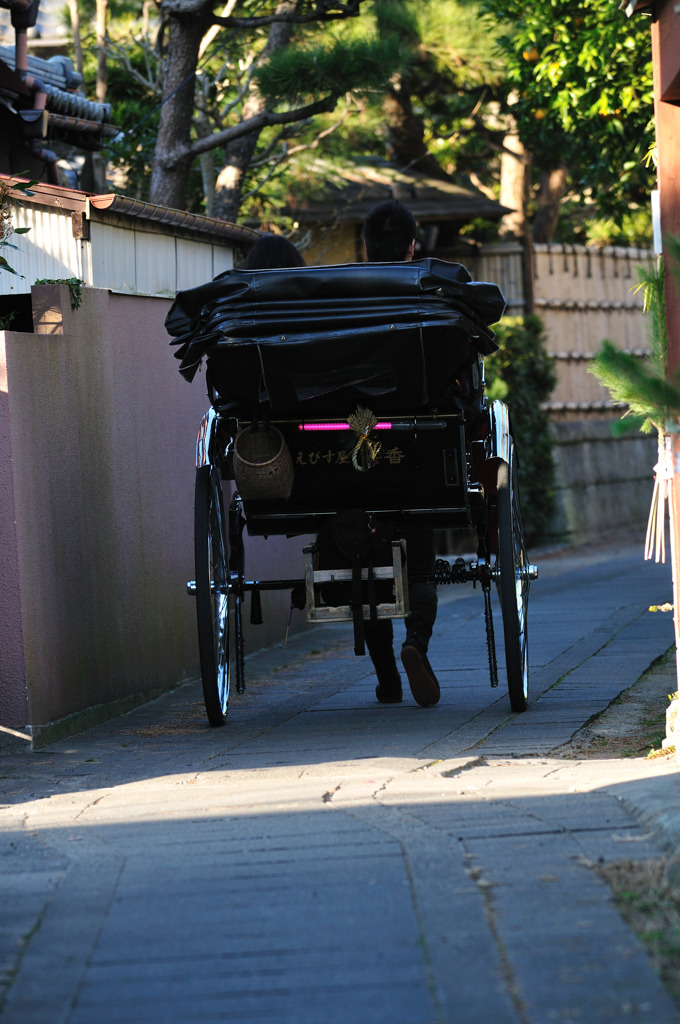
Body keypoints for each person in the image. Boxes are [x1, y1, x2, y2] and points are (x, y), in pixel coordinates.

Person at [362, 199, 440, 709]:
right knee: (421, 560)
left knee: (362, 566)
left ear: (366, 250)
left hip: (352, 447)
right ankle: (416, 642)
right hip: (419, 448)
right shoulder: (432, 293)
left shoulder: (342, 299)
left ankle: (388, 676)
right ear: (413, 247)